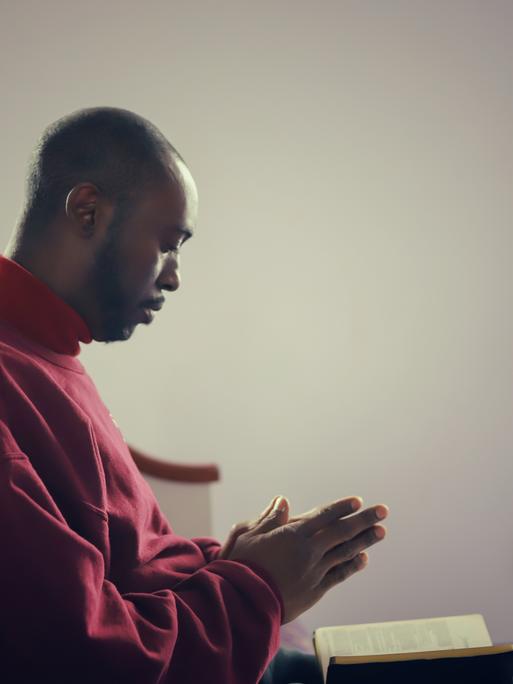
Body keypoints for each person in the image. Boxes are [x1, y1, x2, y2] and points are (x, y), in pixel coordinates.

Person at [0, 107, 388, 683]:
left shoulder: (50, 353)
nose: (174, 276)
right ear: (88, 210)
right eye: (169, 243)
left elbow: (132, 566)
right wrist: (258, 587)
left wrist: (230, 561)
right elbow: (83, 655)